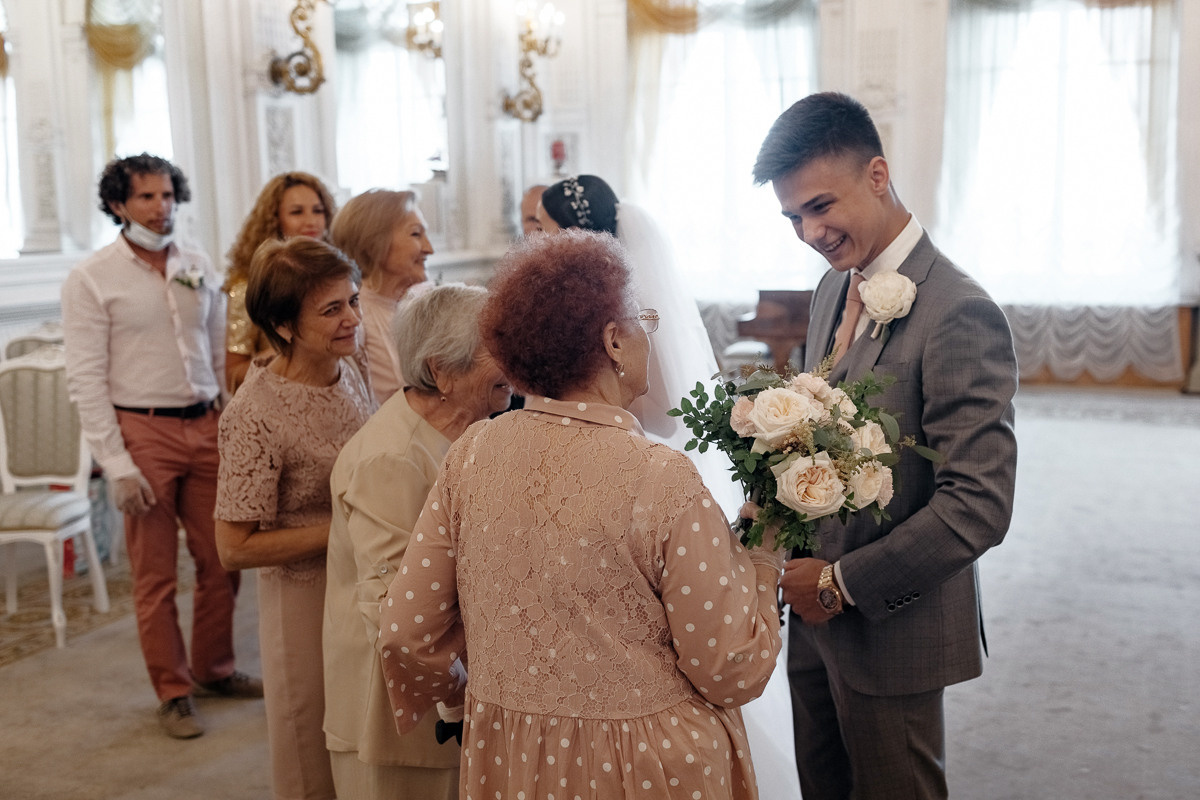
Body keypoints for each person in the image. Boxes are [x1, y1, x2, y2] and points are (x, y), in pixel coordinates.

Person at [378, 230, 785, 799]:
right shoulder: (658, 477)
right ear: (614, 341)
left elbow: (405, 633)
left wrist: (489, 689)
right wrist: (764, 559)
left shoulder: (470, 455)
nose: (650, 335)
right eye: (644, 319)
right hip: (650, 767)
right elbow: (729, 665)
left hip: (513, 757)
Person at [752, 92, 1019, 800]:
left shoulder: (959, 310)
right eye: (792, 217)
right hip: (809, 617)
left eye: (819, 206)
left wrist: (842, 586)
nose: (809, 232)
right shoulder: (827, 291)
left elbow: (979, 505)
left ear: (877, 175)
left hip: (893, 623)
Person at [537, 176, 802, 800]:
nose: (533, 238)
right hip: (610, 469)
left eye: (542, 227)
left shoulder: (624, 321)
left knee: (667, 621)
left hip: (635, 471)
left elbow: (658, 406)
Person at [61, 154, 259, 741]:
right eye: (146, 197)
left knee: (223, 557)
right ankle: (172, 691)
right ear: (118, 205)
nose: (161, 206)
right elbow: (85, 377)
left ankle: (215, 669)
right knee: (155, 575)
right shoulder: (93, 277)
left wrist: (229, 416)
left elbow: (219, 349)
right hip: (140, 429)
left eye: (168, 195)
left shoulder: (196, 263)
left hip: (206, 424)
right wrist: (115, 462)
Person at [324, 284, 512, 799]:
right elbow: (393, 609)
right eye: (498, 349)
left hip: (457, 689)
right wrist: (464, 689)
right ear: (442, 371)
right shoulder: (391, 458)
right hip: (400, 715)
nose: (514, 364)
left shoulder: (472, 431)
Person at [214, 237, 375, 800]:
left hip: (361, 582)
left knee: (361, 741)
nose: (353, 318)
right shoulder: (255, 412)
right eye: (332, 310)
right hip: (303, 600)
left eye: (352, 300)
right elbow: (234, 548)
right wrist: (350, 529)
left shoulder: (347, 367)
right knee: (310, 754)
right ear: (284, 326)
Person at [223, 171, 337, 393]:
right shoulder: (248, 286)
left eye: (318, 211)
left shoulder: (339, 280)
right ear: (274, 220)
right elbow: (233, 376)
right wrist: (284, 355)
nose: (311, 221)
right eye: (297, 212)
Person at [330, 189, 434, 404]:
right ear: (374, 244)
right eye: (416, 234)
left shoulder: (420, 306)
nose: (429, 248)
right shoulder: (355, 320)